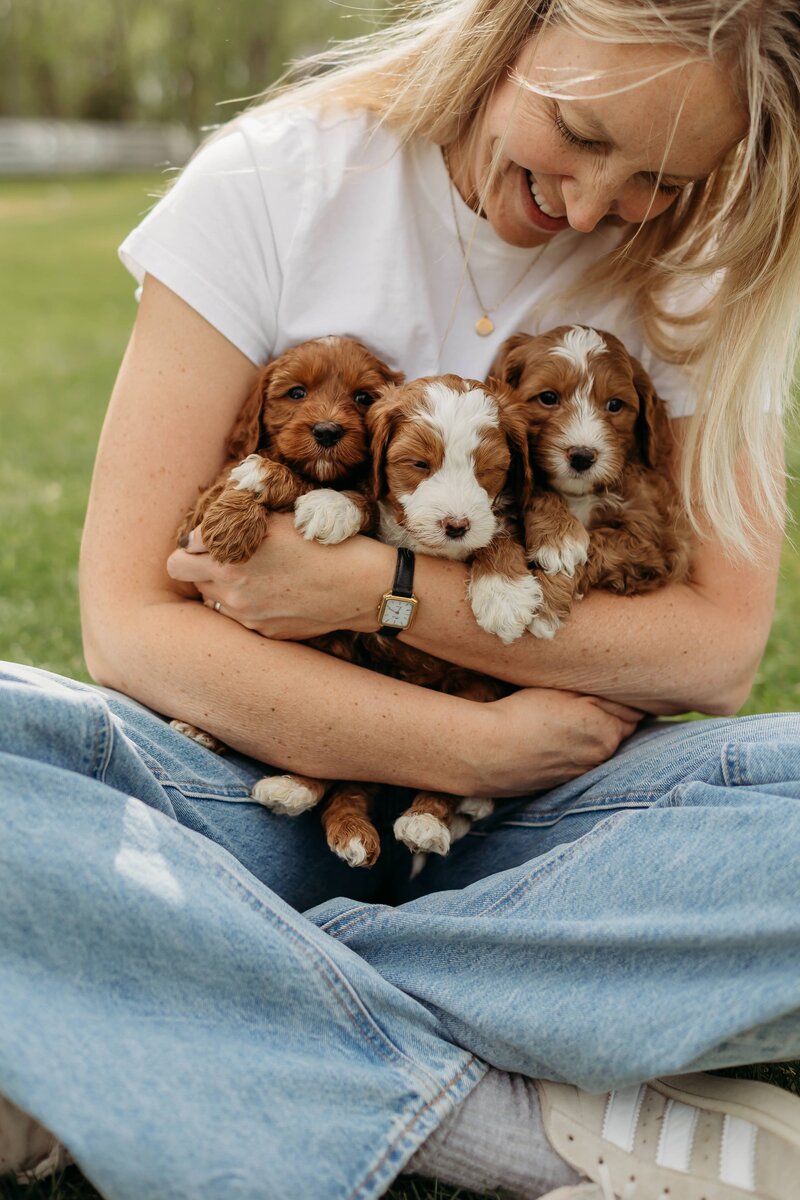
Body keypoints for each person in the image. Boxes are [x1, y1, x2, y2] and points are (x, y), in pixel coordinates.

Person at [2, 1, 800, 1197]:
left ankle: (152, 984)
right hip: (240, 785)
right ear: (513, 24)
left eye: (653, 178)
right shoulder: (277, 182)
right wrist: (471, 742)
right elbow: (132, 622)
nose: (588, 209)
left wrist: (370, 586)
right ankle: (486, 1114)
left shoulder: (696, 260)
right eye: (577, 133)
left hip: (557, 832)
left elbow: (709, 654)